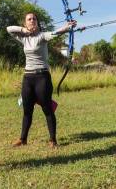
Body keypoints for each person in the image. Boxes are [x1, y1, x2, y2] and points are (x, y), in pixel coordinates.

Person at [7, 12, 76, 148]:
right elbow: (9, 29)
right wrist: (24, 31)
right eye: (29, 19)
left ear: (37, 22)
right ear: (25, 23)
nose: (32, 21)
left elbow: (56, 33)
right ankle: (23, 139)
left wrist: (67, 27)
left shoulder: (42, 36)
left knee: (47, 109)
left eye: (34, 19)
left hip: (42, 77)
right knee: (27, 110)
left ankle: (52, 140)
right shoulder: (24, 38)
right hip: (28, 77)